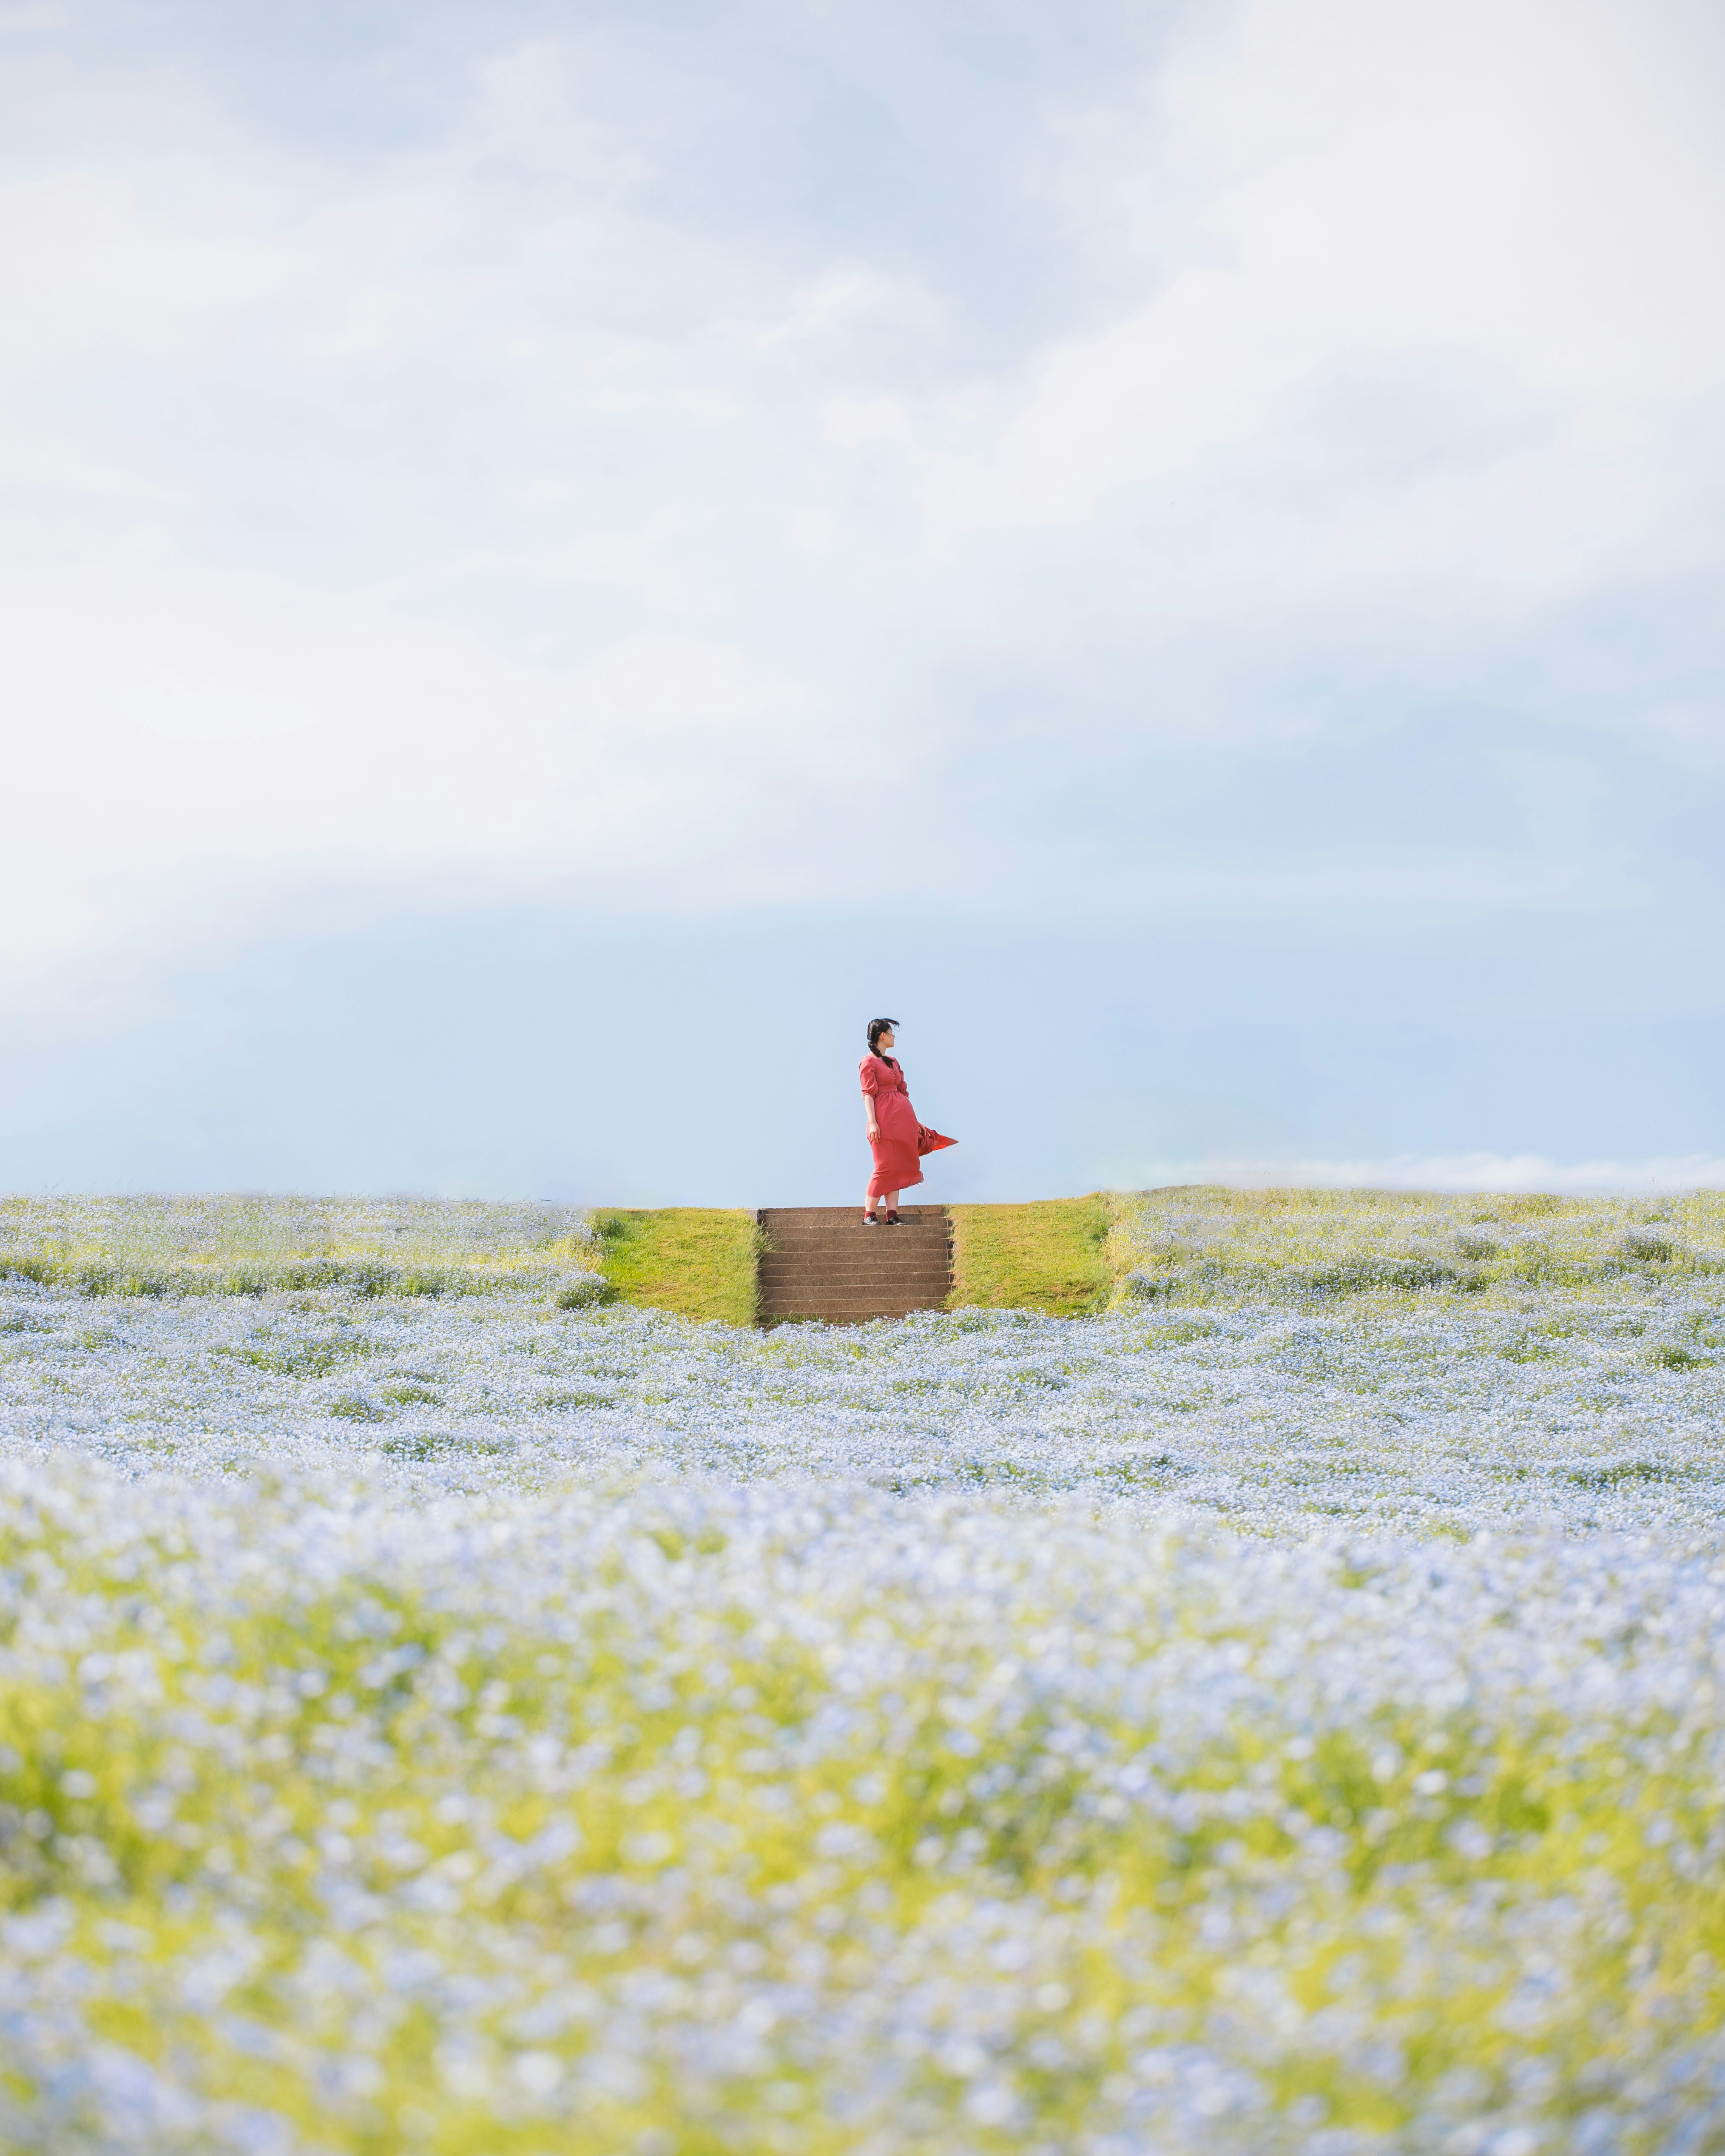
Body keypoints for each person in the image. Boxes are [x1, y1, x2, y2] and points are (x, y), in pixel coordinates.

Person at [859, 1018, 954, 1224]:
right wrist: (873, 1122)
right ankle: (869, 1215)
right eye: (892, 1033)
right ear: (883, 1035)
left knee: (899, 1165)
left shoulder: (893, 1062)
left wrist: (916, 1122)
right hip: (882, 1120)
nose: (894, 1037)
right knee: (884, 1166)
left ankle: (892, 1215)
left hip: (904, 1121)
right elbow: (868, 1094)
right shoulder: (868, 1062)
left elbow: (903, 1093)